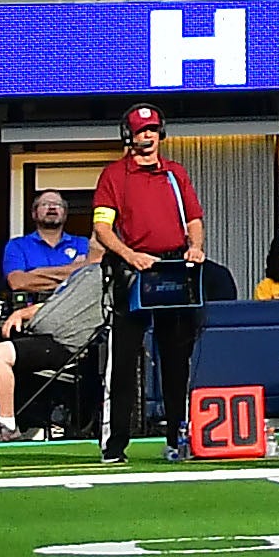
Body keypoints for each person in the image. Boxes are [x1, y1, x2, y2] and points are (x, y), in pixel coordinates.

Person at [89, 106, 209, 459]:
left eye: (153, 130)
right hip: (133, 273)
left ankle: (177, 438)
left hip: (173, 268)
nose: (148, 136)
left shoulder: (175, 174)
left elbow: (195, 218)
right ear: (129, 135)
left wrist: (196, 248)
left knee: (177, 360)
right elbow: (102, 228)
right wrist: (130, 256)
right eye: (142, 131)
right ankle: (114, 445)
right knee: (123, 362)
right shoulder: (114, 176)